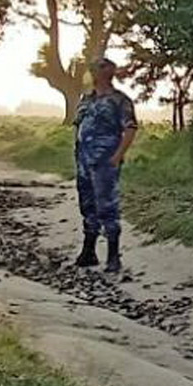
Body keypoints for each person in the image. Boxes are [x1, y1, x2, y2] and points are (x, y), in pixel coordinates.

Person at [72, 57, 139, 273]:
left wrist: (118, 155)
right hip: (84, 159)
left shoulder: (120, 101)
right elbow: (78, 125)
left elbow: (130, 128)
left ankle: (113, 256)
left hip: (105, 161)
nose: (94, 73)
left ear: (107, 73)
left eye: (98, 69)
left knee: (107, 207)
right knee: (87, 204)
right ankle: (89, 251)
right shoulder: (86, 99)